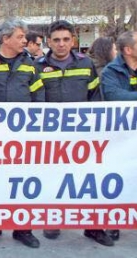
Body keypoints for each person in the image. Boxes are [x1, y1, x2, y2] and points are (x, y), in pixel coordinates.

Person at [34, 20, 110, 245]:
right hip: (50, 137)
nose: (61, 44)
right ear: (49, 41)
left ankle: (93, 227)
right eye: (56, 40)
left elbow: (95, 96)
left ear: (73, 41)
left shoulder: (86, 64)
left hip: (81, 136)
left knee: (88, 180)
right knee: (52, 180)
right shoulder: (38, 66)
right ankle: (52, 220)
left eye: (66, 39)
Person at [0, 18, 44, 248]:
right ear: (5, 38)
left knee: (23, 181)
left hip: (24, 136)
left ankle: (23, 229)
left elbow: (39, 95)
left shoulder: (30, 63)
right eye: (19, 37)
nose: (24, 40)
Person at [100, 30, 137, 243]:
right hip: (122, 136)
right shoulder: (111, 71)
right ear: (128, 50)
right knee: (121, 177)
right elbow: (115, 96)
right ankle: (115, 223)